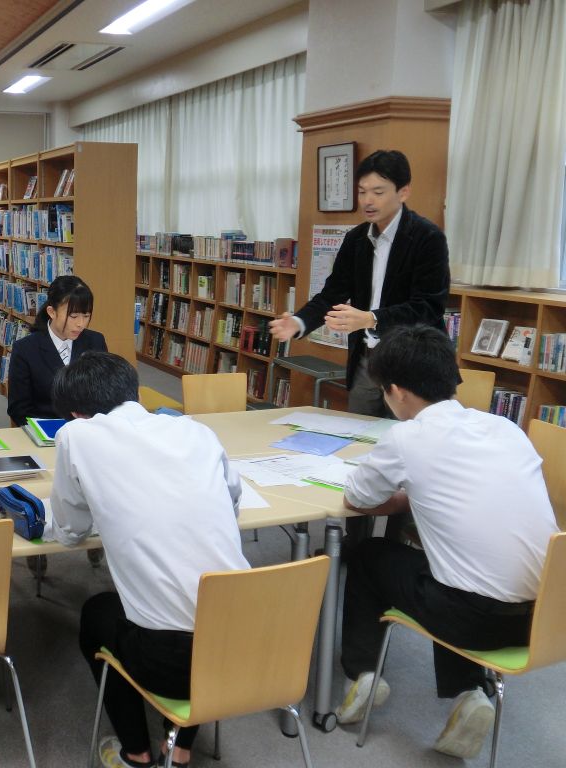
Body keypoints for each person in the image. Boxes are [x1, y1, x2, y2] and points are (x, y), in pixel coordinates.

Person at [336, 325, 558, 759]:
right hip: (547, 615)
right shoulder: (505, 428)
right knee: (452, 565)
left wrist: (407, 497)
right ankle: (469, 695)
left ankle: (362, 675)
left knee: (367, 556)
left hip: (474, 618)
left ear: (396, 392)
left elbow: (357, 499)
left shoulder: (406, 437)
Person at [48, 351, 248, 768]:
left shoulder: (76, 436)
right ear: (136, 394)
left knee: (97, 613)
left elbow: (69, 531)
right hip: (242, 641)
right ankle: (180, 750)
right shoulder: (195, 430)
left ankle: (136, 753)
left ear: (76, 414)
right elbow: (232, 501)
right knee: (200, 599)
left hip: (168, 660)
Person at [268, 149, 450, 546]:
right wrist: (299, 322)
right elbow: (332, 293)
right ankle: (355, 546)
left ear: (403, 192)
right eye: (363, 191)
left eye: (378, 192)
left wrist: (371, 318)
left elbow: (429, 306)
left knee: (414, 459)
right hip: (370, 362)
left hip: (413, 367)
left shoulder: (427, 237)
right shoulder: (356, 239)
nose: (368, 200)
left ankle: (399, 549)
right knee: (360, 453)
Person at [6, 275, 107, 427]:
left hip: (89, 429)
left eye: (86, 316)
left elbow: (106, 392)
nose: (81, 324)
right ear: (52, 312)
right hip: (46, 430)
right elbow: (18, 408)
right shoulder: (25, 349)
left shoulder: (95, 341)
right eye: (73, 316)